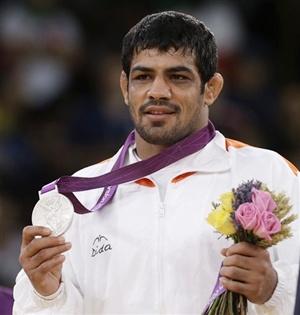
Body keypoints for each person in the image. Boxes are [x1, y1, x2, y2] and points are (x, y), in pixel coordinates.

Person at [13, 11, 300, 315]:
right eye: (143, 76)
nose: (158, 92)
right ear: (125, 88)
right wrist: (48, 295)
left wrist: (273, 289)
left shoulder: (269, 174)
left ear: (211, 88)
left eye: (178, 77)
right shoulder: (78, 199)